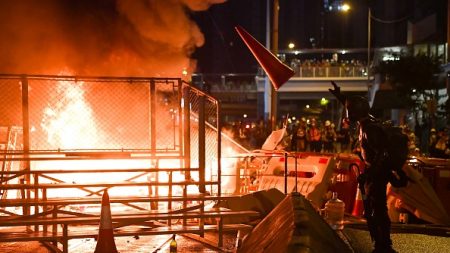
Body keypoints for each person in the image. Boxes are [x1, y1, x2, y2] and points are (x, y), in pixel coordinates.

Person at [329, 82, 397, 253]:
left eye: (351, 111)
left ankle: (384, 244)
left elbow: (383, 154)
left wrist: (370, 174)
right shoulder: (366, 121)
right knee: (375, 209)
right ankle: (381, 243)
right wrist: (341, 97)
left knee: (379, 209)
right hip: (373, 172)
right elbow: (356, 106)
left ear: (357, 112)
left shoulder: (370, 129)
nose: (349, 114)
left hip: (377, 174)